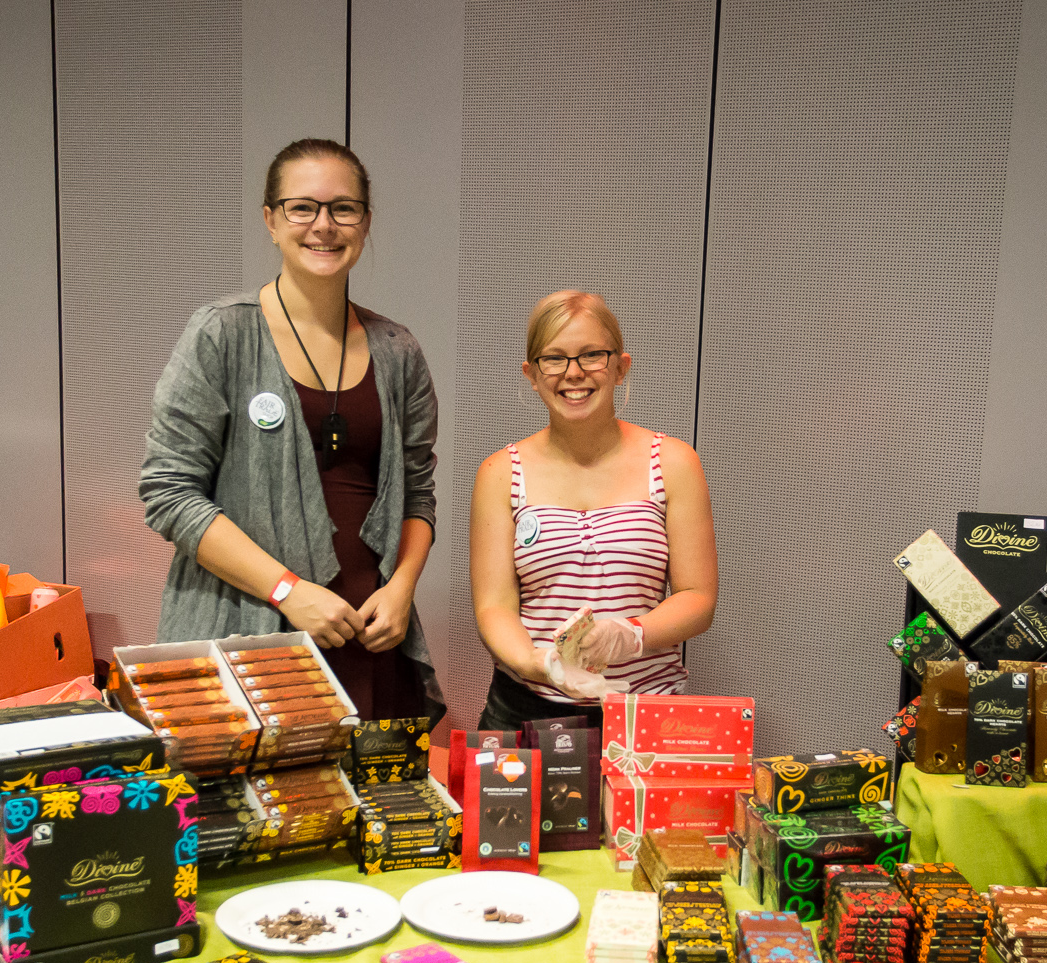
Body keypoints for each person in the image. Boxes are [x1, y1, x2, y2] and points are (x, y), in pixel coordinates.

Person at [139, 138, 443, 724]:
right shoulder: (221, 335)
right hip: (246, 632)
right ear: (271, 221)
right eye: (302, 207)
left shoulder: (397, 349)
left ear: (366, 222)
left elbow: (417, 494)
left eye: (343, 208)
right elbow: (168, 494)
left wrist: (402, 588)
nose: (323, 225)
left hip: (370, 635)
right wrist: (287, 591)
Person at [469, 290, 718, 731]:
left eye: (591, 355)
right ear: (532, 374)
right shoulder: (500, 472)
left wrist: (631, 634)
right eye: (554, 358)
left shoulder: (673, 462)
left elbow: (697, 597)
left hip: (642, 718)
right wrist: (536, 662)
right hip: (524, 712)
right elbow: (494, 607)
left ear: (621, 366)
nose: (573, 373)